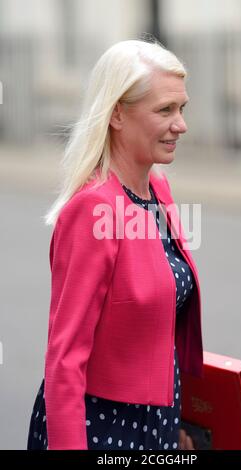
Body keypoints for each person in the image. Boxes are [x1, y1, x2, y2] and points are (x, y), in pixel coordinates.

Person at [27, 38, 203, 451]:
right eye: (165, 110)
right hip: (102, 429)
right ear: (118, 115)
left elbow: (161, 324)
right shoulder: (92, 210)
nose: (181, 124)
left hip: (159, 424)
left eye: (182, 108)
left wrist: (177, 422)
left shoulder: (158, 189)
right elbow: (64, 361)